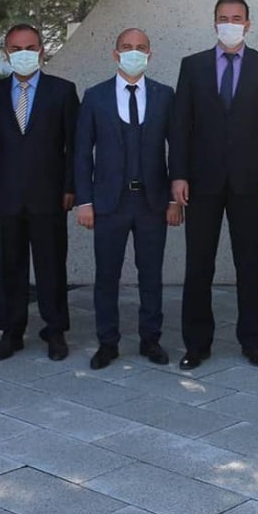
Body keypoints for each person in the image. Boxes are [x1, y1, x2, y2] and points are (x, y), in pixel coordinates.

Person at [170, 0, 258, 370]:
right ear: (214, 22)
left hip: (250, 181)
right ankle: (196, 344)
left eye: (237, 18)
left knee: (248, 265)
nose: (230, 24)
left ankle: (252, 342)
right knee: (198, 266)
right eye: (224, 18)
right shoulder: (193, 65)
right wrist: (178, 174)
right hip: (201, 181)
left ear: (248, 24)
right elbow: (180, 125)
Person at [74, 29, 183, 370]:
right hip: (109, 203)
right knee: (106, 275)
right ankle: (107, 342)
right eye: (126, 47)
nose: (133, 52)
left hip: (152, 202)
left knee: (151, 275)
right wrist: (84, 201)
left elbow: (177, 148)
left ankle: (151, 339)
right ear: (115, 53)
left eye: (140, 48)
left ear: (150, 54)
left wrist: (174, 200)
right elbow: (81, 153)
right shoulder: (95, 96)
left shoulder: (165, 95)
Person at [0, 23, 78, 361]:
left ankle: (55, 331)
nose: (24, 54)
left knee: (51, 266)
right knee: (10, 267)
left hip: (50, 196)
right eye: (16, 49)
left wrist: (71, 186)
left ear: (42, 50)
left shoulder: (62, 91)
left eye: (30, 47)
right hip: (6, 197)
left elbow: (74, 146)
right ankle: (11, 332)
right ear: (6, 53)